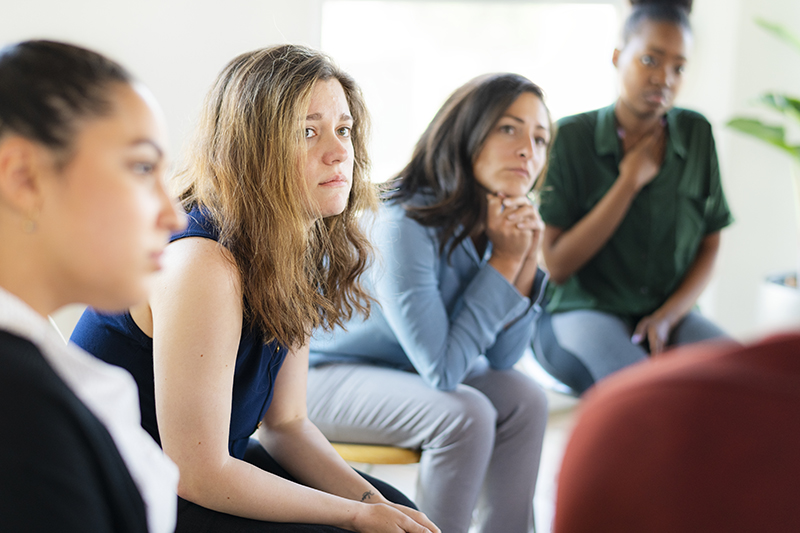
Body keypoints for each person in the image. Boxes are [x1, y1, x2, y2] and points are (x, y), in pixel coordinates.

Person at [71, 44, 438, 533]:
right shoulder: (203, 262)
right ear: (254, 148)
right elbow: (196, 473)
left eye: (343, 129)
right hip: (131, 494)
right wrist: (353, 515)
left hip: (214, 468)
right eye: (308, 132)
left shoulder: (298, 244)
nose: (339, 151)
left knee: (397, 509)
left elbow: (287, 424)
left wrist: (372, 502)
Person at [308, 73, 551, 533]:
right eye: (509, 128)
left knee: (526, 397)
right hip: (322, 377)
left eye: (540, 138)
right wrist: (503, 261)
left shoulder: (493, 220)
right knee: (466, 413)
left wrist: (525, 258)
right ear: (466, 131)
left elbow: (504, 357)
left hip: (401, 371)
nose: (528, 149)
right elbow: (443, 369)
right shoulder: (404, 222)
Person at [0, 40, 182, 532]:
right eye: (142, 167)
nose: (174, 213)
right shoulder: (19, 412)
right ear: (25, 179)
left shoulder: (36, 368)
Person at [535, 0, 733, 394]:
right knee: (648, 397)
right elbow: (555, 264)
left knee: (745, 384)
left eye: (679, 67)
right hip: (581, 311)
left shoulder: (696, 134)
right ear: (617, 56)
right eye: (649, 60)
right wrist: (628, 182)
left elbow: (710, 244)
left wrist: (667, 316)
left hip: (666, 313)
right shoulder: (571, 137)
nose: (664, 78)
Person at [553, 333, 800, 532]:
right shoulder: (625, 417)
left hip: (667, 313)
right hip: (587, 310)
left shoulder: (618, 419)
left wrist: (666, 316)